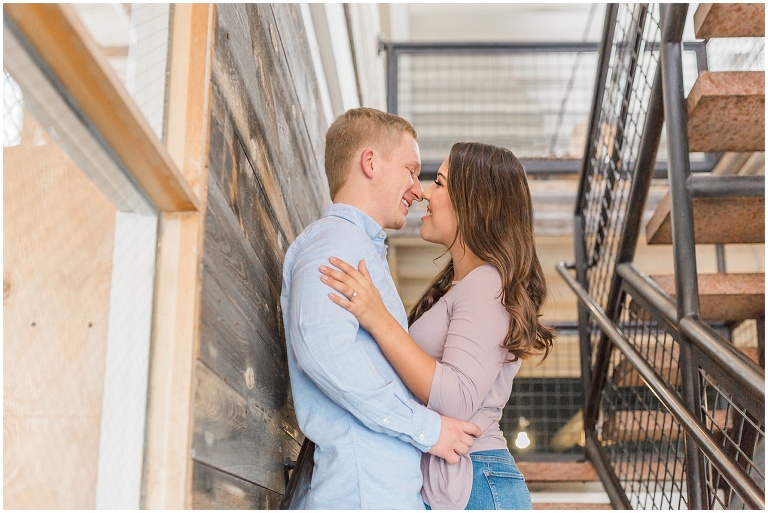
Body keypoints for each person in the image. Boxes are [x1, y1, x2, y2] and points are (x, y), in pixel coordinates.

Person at [319, 141, 555, 509]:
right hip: (468, 481)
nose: (426, 193)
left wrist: (379, 319)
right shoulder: (466, 286)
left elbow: (458, 398)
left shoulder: (487, 283)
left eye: (440, 183)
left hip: (476, 483)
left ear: (473, 201)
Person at [280, 108, 482, 509]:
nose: (417, 188)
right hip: (361, 492)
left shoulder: (359, 251)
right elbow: (325, 353)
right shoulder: (333, 245)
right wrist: (428, 429)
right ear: (370, 163)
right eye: (410, 170)